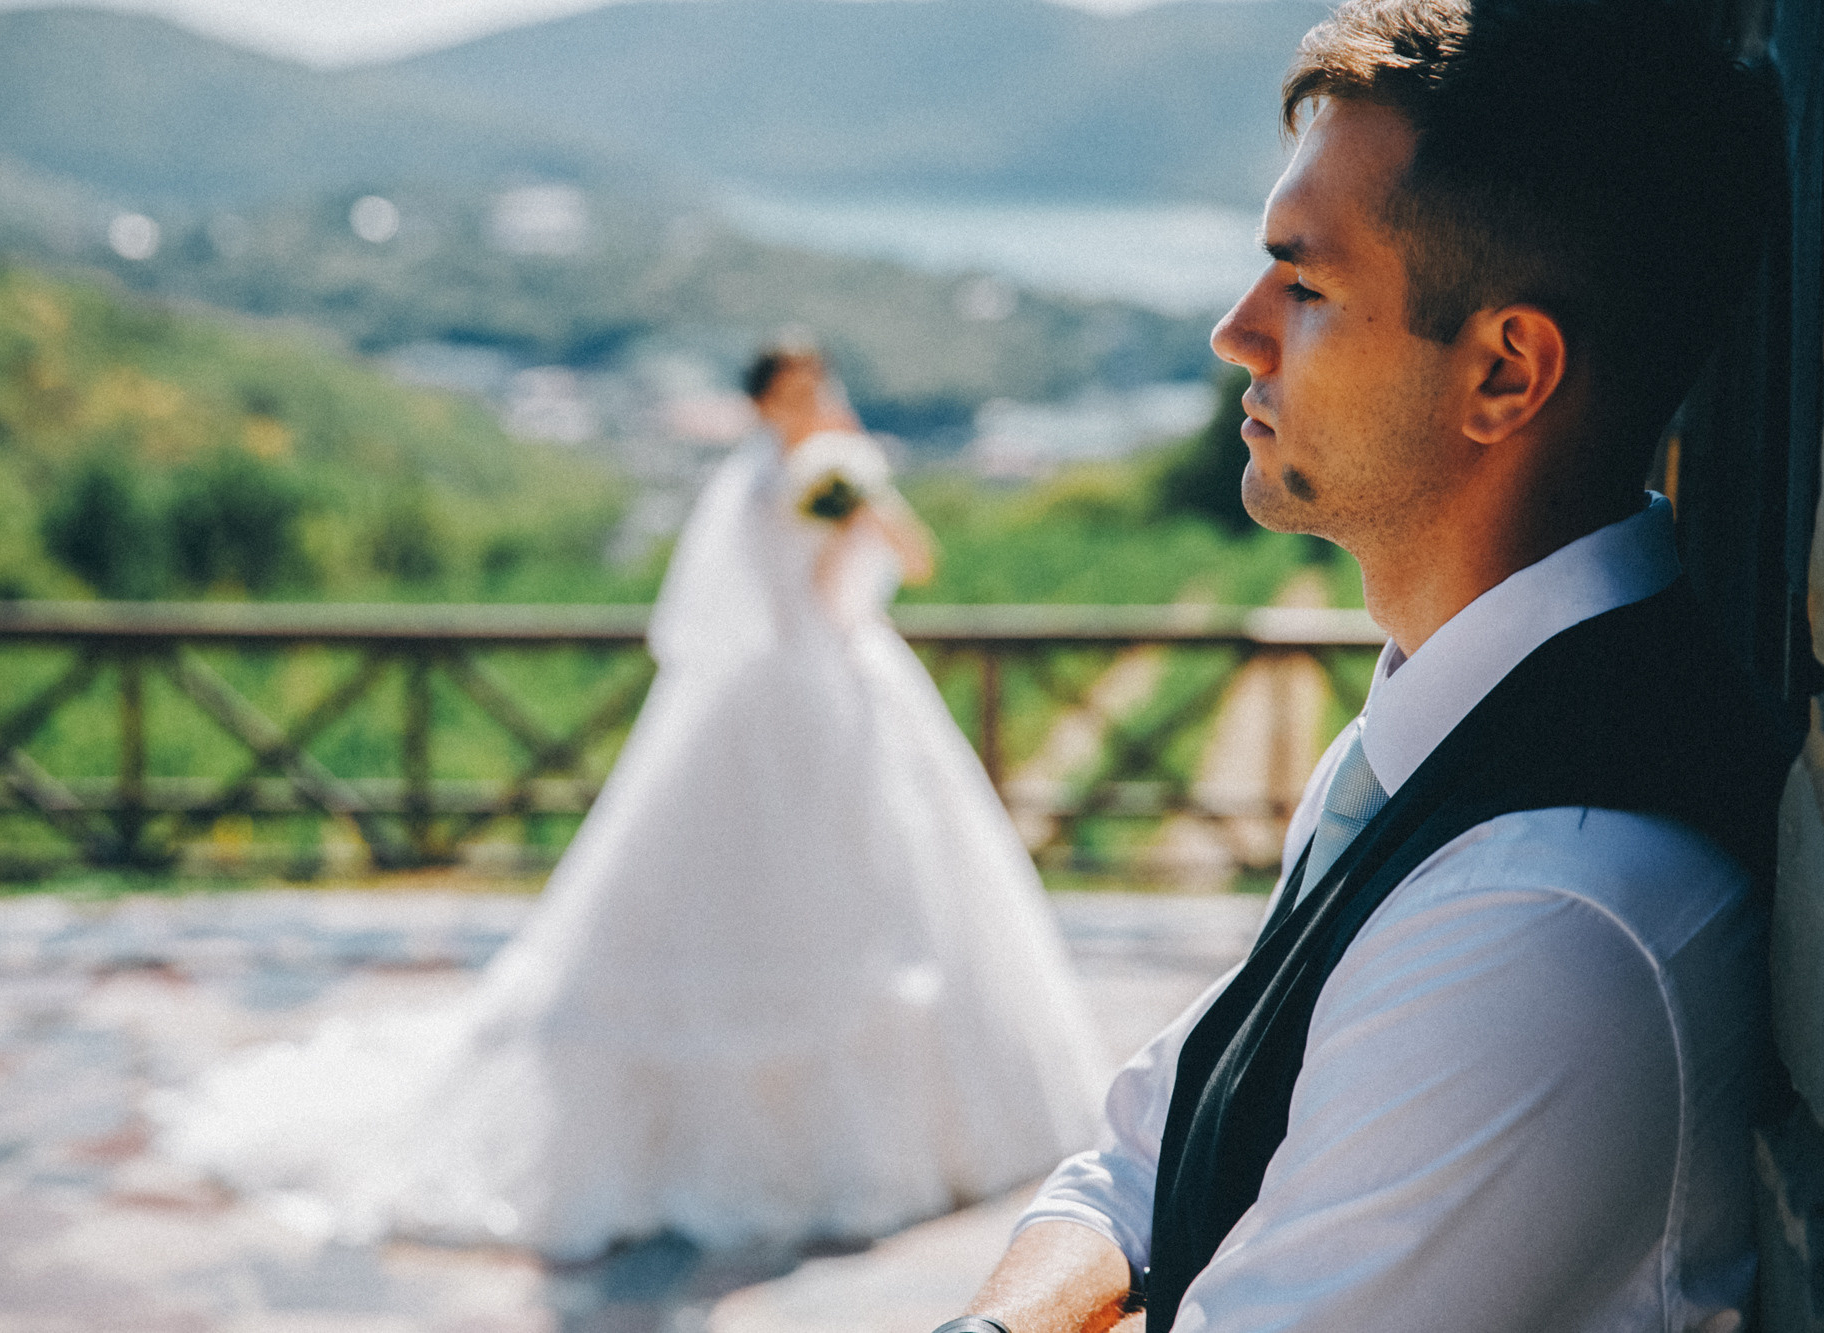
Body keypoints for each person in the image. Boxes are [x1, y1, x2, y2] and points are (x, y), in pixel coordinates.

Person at [936, 1, 1795, 1330]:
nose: (1238, 328)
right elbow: (1146, 1150)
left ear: (1504, 373)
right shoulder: (1456, 720)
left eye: (1307, 283)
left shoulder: (1548, 912)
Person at [154, 345, 1108, 1259]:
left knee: (887, 885)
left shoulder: (832, 468)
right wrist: (842, 524)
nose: (807, 400)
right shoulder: (760, 484)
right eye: (790, 388)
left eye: (814, 384)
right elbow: (783, 597)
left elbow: (909, 562)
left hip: (849, 686)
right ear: (761, 400)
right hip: (788, 691)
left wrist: (859, 507)